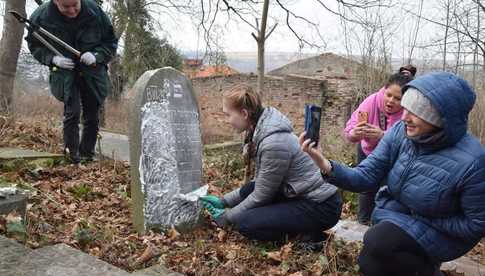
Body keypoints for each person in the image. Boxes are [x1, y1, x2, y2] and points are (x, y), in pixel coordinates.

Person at [300, 72, 485, 275]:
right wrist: (324, 163)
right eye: (406, 108)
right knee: (373, 260)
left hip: (442, 234)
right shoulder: (400, 133)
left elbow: (476, 224)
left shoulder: (474, 161)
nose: (405, 117)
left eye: (418, 111)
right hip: (397, 215)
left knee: (378, 242)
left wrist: (423, 218)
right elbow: (365, 176)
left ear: (443, 118)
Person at [201, 85, 342, 246]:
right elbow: (259, 185)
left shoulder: (273, 142)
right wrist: (224, 202)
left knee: (246, 223)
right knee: (250, 189)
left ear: (244, 114)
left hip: (322, 206)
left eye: (229, 115)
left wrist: (228, 218)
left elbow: (262, 195)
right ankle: (298, 227)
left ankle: (308, 237)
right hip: (300, 194)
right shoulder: (261, 129)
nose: (228, 120)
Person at [26, 0, 118, 164]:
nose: (72, 11)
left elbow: (110, 42)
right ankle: (71, 157)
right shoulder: (41, 17)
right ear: (55, 2)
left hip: (92, 73)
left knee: (92, 115)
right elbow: (34, 45)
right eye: (66, 7)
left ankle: (87, 155)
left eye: (75, 5)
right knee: (72, 113)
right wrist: (52, 59)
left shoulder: (95, 12)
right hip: (65, 74)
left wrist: (96, 56)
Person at [344, 73, 413, 225]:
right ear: (384, 90)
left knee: (387, 189)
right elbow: (349, 130)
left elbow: (409, 141)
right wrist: (354, 134)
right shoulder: (371, 101)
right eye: (388, 95)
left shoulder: (409, 112)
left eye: (397, 98)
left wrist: (384, 136)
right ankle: (362, 222)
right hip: (367, 151)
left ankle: (380, 224)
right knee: (365, 186)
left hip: (392, 156)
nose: (391, 101)